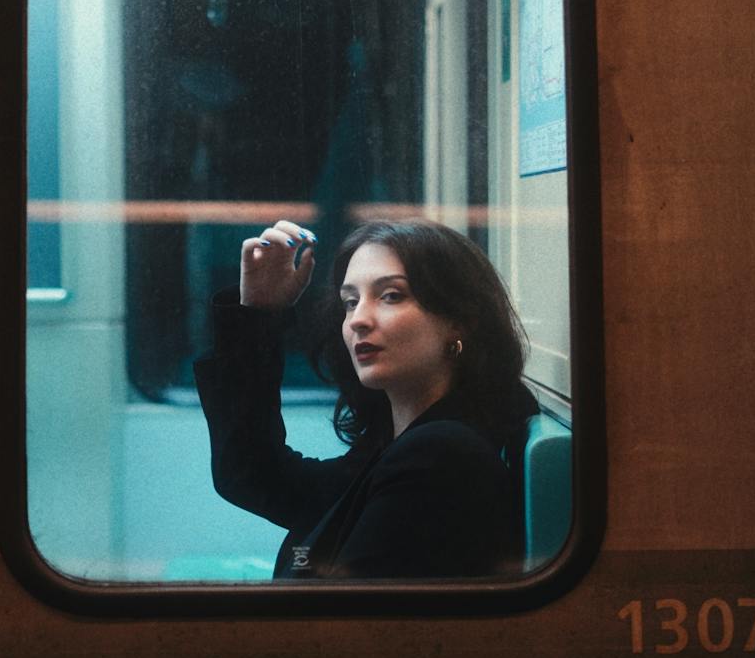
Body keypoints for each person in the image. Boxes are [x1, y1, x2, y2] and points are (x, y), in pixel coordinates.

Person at [193, 218, 538, 579]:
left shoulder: (439, 456)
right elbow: (255, 476)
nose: (358, 319)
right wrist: (258, 316)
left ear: (459, 321)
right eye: (349, 302)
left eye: (391, 296)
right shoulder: (393, 448)